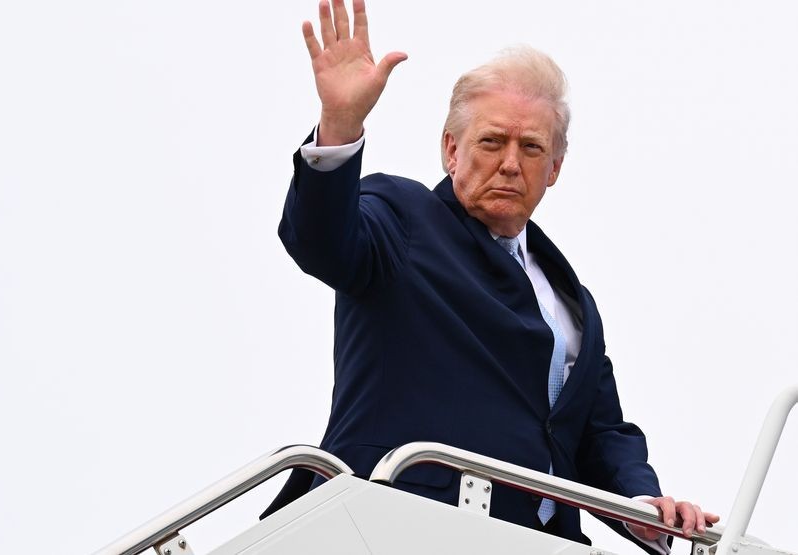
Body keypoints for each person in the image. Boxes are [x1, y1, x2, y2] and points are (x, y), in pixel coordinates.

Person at [262, 0, 719, 553]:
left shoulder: (572, 302)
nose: (510, 163)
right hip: (396, 524)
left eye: (531, 148)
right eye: (492, 141)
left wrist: (641, 504)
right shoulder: (402, 219)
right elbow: (321, 241)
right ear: (451, 150)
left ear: (554, 169)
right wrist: (340, 125)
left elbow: (596, 431)